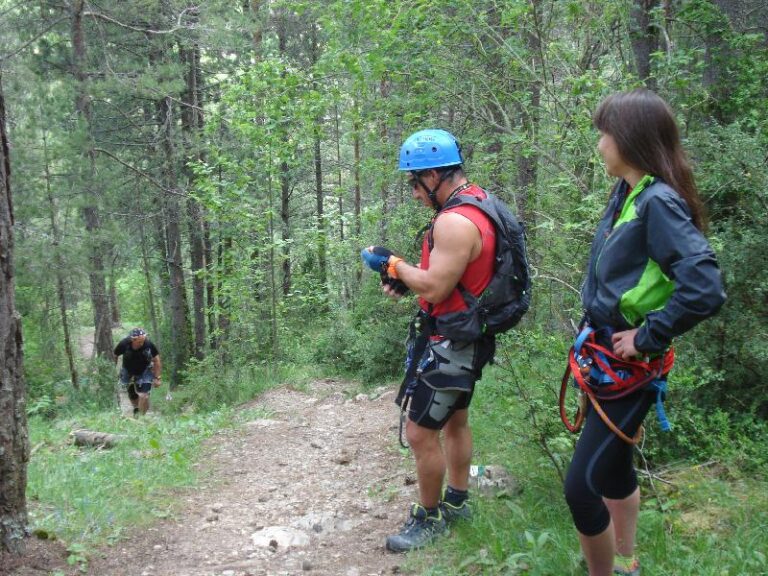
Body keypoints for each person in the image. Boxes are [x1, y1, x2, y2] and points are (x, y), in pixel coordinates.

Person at [564, 89, 726, 576]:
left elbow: (705, 287)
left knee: (581, 488)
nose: (600, 145)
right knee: (613, 467)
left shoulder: (657, 202)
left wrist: (647, 335)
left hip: (629, 364)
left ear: (629, 139)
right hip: (605, 355)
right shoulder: (630, 193)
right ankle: (625, 560)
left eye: (605, 135)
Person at [361, 129, 498, 552]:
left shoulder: (454, 221)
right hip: (467, 337)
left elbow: (437, 287)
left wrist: (394, 265)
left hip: (451, 344)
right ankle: (457, 502)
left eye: (415, 182)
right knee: (456, 421)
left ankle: (430, 517)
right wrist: (409, 280)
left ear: (434, 175)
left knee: (421, 433)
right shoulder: (480, 203)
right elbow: (454, 280)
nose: (414, 193)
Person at [114, 328, 162, 416]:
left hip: (145, 369)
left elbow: (157, 360)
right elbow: (115, 355)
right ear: (133, 340)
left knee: (144, 396)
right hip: (128, 370)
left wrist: (157, 378)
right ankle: (136, 408)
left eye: (143, 341)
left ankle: (141, 417)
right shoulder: (124, 344)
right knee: (131, 393)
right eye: (139, 342)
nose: (142, 344)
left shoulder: (148, 344)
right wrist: (112, 370)